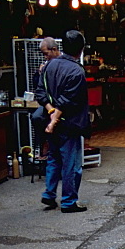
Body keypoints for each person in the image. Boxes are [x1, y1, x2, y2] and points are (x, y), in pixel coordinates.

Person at [34, 30, 89, 213]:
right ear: (80, 49)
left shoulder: (49, 65)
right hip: (69, 123)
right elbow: (68, 100)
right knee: (71, 164)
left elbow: (40, 93)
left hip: (52, 122)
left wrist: (50, 114)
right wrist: (55, 118)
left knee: (54, 159)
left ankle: (49, 194)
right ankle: (68, 201)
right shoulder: (76, 71)